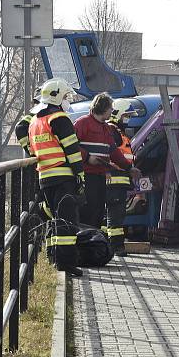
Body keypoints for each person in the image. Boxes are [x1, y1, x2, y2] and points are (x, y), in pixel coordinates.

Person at [28, 79, 85, 277]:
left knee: (54, 218)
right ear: (58, 97)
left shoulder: (35, 121)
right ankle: (66, 264)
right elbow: (72, 149)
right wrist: (80, 174)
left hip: (45, 177)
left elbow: (32, 150)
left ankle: (53, 257)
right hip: (63, 176)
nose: (68, 101)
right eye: (66, 97)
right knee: (66, 221)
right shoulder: (59, 118)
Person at [74, 93, 133, 230]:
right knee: (88, 210)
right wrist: (87, 157)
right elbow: (71, 145)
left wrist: (129, 168)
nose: (112, 111)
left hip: (100, 176)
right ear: (103, 107)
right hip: (87, 176)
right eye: (110, 108)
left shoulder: (106, 128)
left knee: (98, 211)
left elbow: (113, 152)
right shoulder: (82, 123)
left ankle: (93, 243)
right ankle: (85, 243)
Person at [105, 99, 140, 257]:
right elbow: (112, 154)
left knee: (115, 215)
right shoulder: (112, 130)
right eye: (126, 115)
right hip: (114, 180)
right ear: (116, 113)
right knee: (116, 216)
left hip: (119, 180)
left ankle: (108, 244)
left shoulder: (117, 131)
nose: (128, 119)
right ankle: (116, 246)